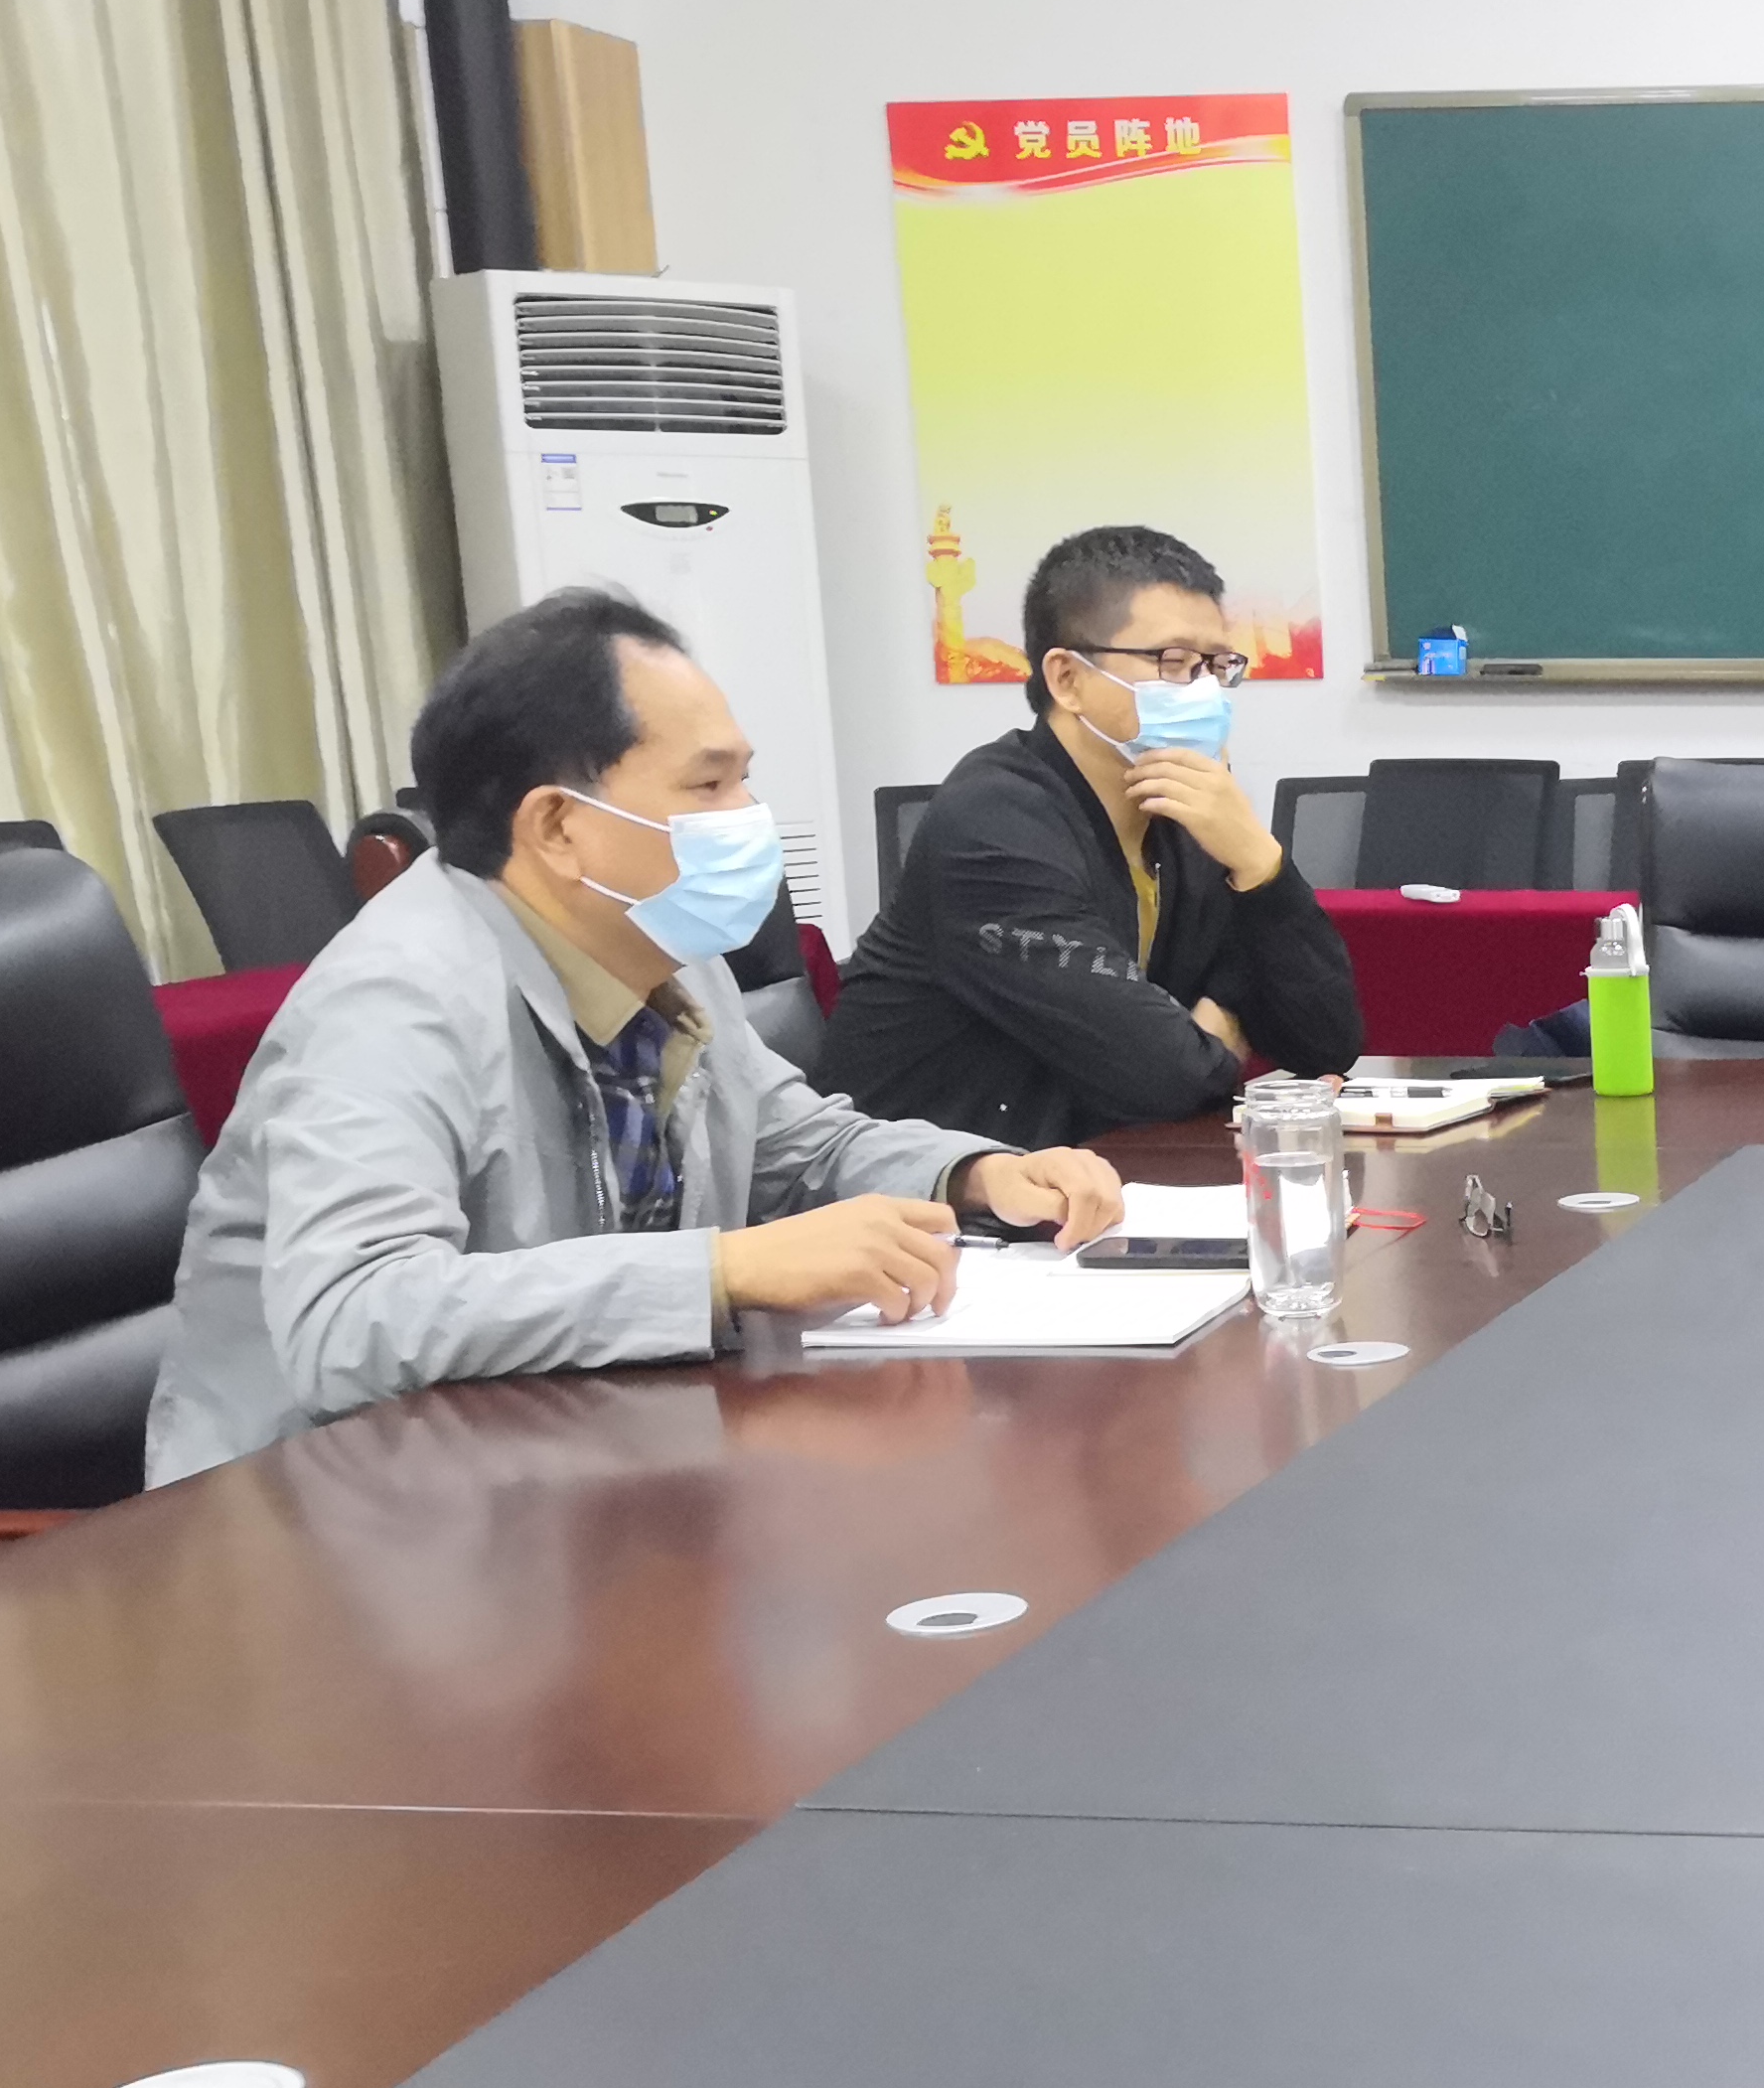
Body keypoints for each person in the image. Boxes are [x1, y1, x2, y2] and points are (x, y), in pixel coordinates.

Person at [147, 591, 1122, 1481]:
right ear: (558, 827)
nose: (749, 819)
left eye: (744, 781)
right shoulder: (394, 1000)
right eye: (708, 787)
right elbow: (353, 1317)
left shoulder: (654, 944)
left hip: (561, 1465)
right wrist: (726, 1271)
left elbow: (792, 1144)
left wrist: (976, 1176)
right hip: (316, 1517)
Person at [818, 522, 1363, 1145]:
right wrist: (1215, 1027)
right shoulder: (992, 826)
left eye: (1217, 666)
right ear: (1067, 679)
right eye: (1174, 662)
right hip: (933, 1184)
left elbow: (1325, 1043)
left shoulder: (1185, 808)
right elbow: (1169, 1075)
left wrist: (1260, 864)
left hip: (1101, 1163)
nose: (1204, 690)